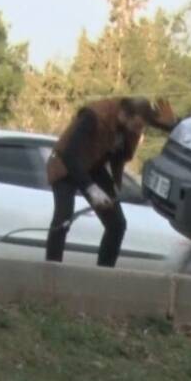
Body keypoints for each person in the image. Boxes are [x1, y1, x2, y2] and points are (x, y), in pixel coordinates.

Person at [45, 96, 177, 267]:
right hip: (66, 164)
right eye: (136, 126)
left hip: (94, 166)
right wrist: (91, 189)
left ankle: (104, 273)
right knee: (63, 219)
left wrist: (174, 124)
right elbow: (70, 155)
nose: (138, 131)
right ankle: (51, 269)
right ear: (124, 115)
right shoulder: (94, 116)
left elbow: (166, 124)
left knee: (117, 224)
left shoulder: (137, 117)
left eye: (142, 127)